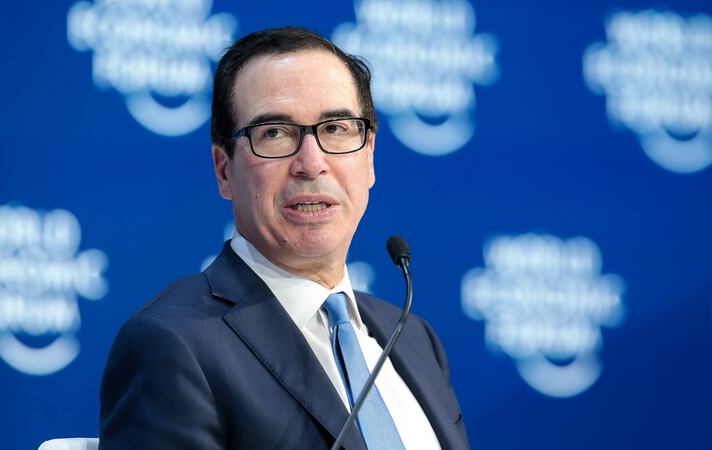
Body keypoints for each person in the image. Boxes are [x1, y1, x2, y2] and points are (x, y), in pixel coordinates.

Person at [99, 27, 469, 450]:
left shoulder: (415, 339)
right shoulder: (172, 345)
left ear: (368, 158)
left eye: (336, 128)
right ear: (224, 170)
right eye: (274, 133)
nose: (311, 164)